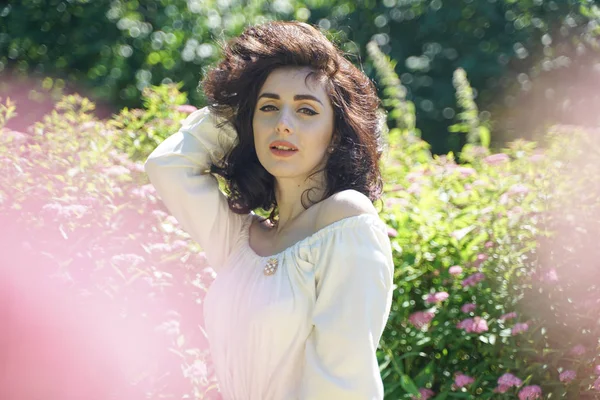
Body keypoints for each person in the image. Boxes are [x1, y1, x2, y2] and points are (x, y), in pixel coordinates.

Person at [145, 20, 394, 400]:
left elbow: (343, 383)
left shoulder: (345, 219)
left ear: (336, 136)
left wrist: (264, 109)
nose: (283, 125)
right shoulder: (241, 241)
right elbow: (168, 166)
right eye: (270, 107)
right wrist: (242, 110)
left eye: (307, 111)